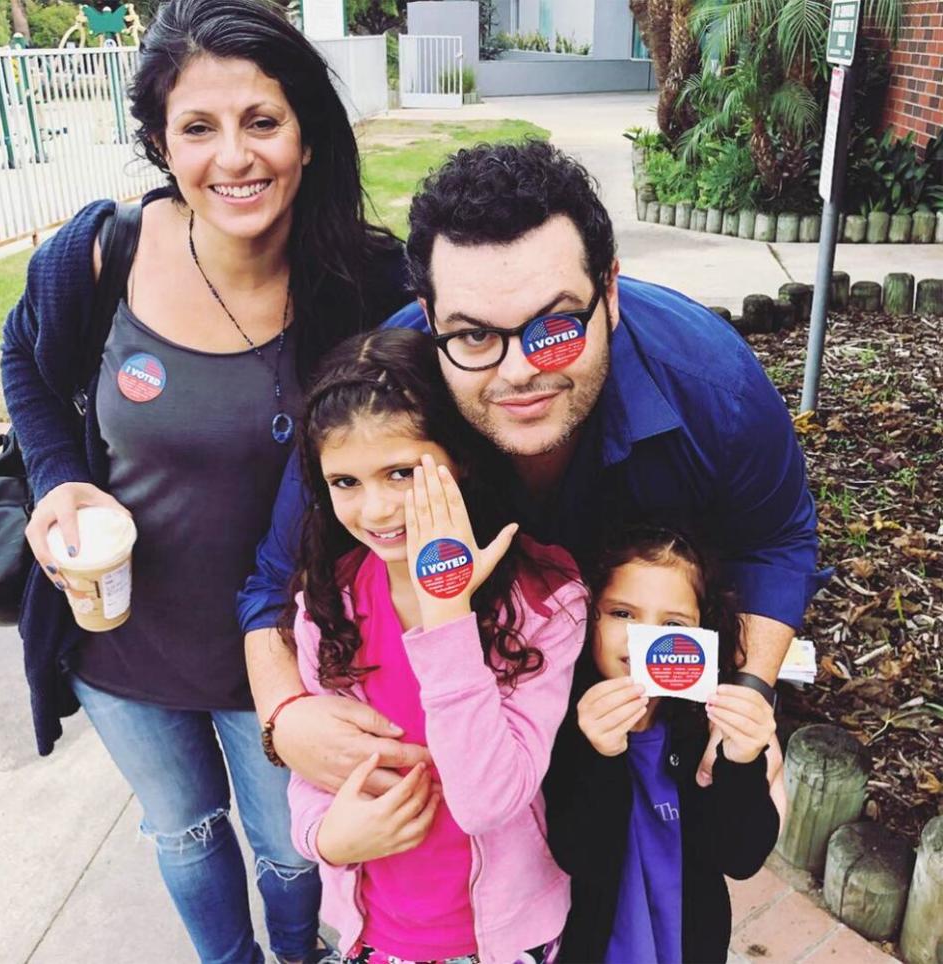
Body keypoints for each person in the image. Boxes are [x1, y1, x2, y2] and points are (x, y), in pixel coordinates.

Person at [0, 1, 407, 960]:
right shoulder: (102, 253)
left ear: (306, 135)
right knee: (182, 832)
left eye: (262, 121)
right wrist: (59, 479)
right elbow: (22, 359)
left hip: (289, 656)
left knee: (293, 850)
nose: (236, 157)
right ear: (159, 143)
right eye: (199, 128)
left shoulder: (367, 283)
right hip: (120, 644)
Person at [238, 139, 828, 799]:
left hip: (644, 720)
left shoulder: (716, 389)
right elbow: (272, 579)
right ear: (430, 315)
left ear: (609, 291)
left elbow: (775, 541)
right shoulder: (382, 395)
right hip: (475, 753)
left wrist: (748, 691)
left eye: (554, 328)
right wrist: (283, 716)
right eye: (474, 335)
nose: (520, 373)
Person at [282, 329, 587, 964]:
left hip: (502, 941)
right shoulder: (328, 605)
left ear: (461, 458)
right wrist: (324, 837)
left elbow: (486, 802)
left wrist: (445, 612)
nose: (376, 508)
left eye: (401, 472)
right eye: (345, 482)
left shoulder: (545, 602)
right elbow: (321, 766)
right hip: (376, 933)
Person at [543, 525, 783, 963]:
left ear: (703, 635)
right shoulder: (560, 719)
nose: (644, 640)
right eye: (622, 613)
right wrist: (600, 754)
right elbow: (578, 855)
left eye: (672, 624)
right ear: (589, 611)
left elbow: (741, 856)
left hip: (686, 945)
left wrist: (742, 762)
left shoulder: (706, 727)